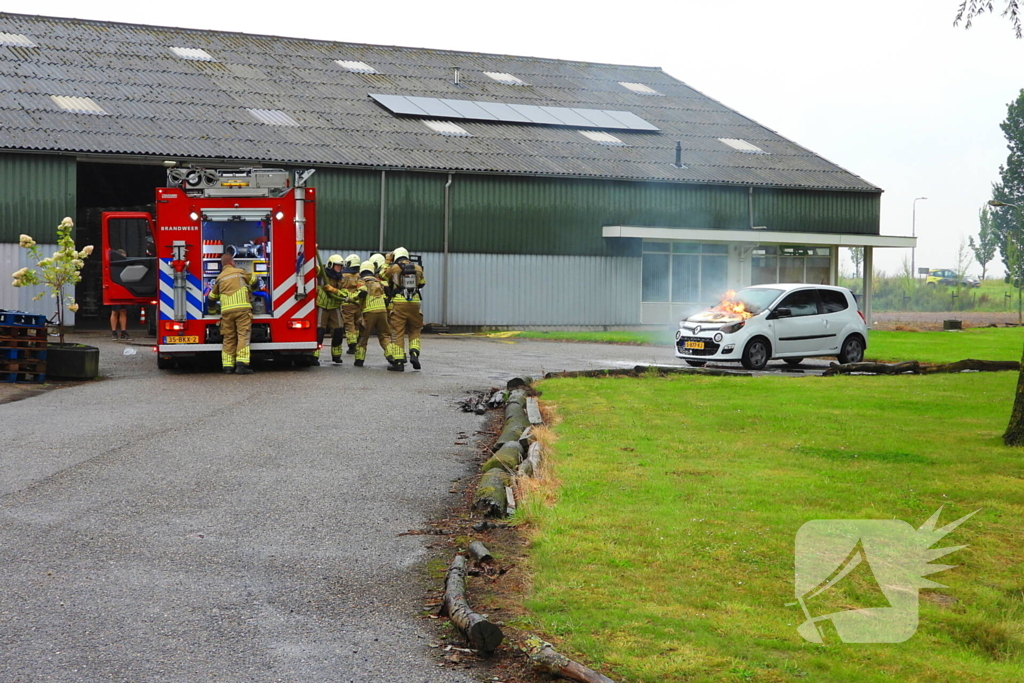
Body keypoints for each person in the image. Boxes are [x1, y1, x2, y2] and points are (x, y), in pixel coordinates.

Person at [207, 252, 256, 374]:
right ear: (232, 262)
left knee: (228, 338)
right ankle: (242, 365)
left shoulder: (220, 278)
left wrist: (212, 311)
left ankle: (227, 366)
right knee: (242, 335)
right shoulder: (240, 272)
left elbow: (211, 298)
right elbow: (255, 281)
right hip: (242, 310)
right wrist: (251, 290)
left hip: (226, 312)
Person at [353, 260, 403, 370]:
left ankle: (359, 360)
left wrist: (350, 298)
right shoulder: (379, 282)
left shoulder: (362, 281)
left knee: (363, 337)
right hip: (382, 311)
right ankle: (392, 356)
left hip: (369, 312)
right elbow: (386, 298)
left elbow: (362, 293)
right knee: (385, 335)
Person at [385, 247, 426, 370]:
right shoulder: (418, 268)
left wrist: (387, 262)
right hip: (414, 302)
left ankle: (398, 362)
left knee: (398, 331)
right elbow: (422, 283)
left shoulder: (394, 268)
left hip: (399, 302)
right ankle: (414, 353)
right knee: (414, 330)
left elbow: (383, 275)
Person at [315, 254, 347, 365]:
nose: (339, 268)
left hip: (335, 307)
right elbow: (314, 269)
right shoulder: (321, 273)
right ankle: (315, 356)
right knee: (319, 331)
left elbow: (345, 293)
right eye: (337, 266)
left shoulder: (342, 279)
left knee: (339, 330)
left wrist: (334, 290)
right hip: (322, 306)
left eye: (341, 266)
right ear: (330, 265)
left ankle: (336, 355)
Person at [341, 254, 363, 354]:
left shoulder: (344, 275)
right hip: (358, 303)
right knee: (357, 323)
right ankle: (357, 341)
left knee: (349, 324)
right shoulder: (359, 276)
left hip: (346, 302)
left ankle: (352, 345)